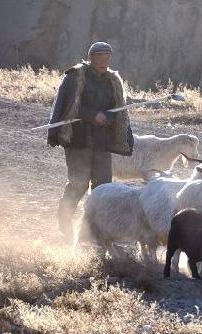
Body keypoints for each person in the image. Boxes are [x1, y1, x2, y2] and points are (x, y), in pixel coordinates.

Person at [47, 41, 134, 242]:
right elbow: (68, 106)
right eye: (101, 56)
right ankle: (65, 220)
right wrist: (91, 115)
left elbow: (117, 110)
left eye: (108, 56)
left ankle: (97, 230)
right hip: (78, 140)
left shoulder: (113, 80)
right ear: (91, 57)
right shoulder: (76, 77)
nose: (105, 60)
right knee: (79, 184)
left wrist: (108, 118)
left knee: (103, 187)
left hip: (102, 142)